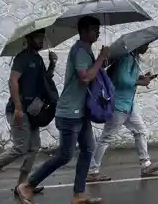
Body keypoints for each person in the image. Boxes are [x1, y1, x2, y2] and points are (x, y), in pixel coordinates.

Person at [16, 16, 110, 204]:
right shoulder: (80, 51)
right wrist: (100, 58)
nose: (97, 32)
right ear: (82, 31)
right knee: (65, 155)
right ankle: (27, 185)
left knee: (88, 149)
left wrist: (100, 62)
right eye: (93, 29)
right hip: (70, 113)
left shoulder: (85, 51)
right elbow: (84, 78)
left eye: (98, 28)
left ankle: (78, 194)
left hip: (80, 111)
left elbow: (89, 75)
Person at [0, 28, 58, 196]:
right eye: (37, 37)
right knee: (21, 147)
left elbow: (44, 81)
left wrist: (52, 64)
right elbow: (13, 81)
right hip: (19, 110)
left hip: (33, 111)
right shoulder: (22, 58)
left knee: (34, 147)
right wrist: (19, 108)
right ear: (28, 38)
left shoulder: (38, 59)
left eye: (42, 37)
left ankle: (22, 185)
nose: (41, 40)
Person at [87, 43, 158, 181]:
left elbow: (128, 77)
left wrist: (142, 77)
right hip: (119, 104)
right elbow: (121, 80)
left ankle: (146, 164)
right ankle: (92, 170)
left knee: (140, 131)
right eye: (145, 45)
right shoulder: (127, 58)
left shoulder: (134, 57)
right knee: (106, 138)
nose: (147, 47)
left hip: (129, 104)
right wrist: (141, 82)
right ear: (138, 45)